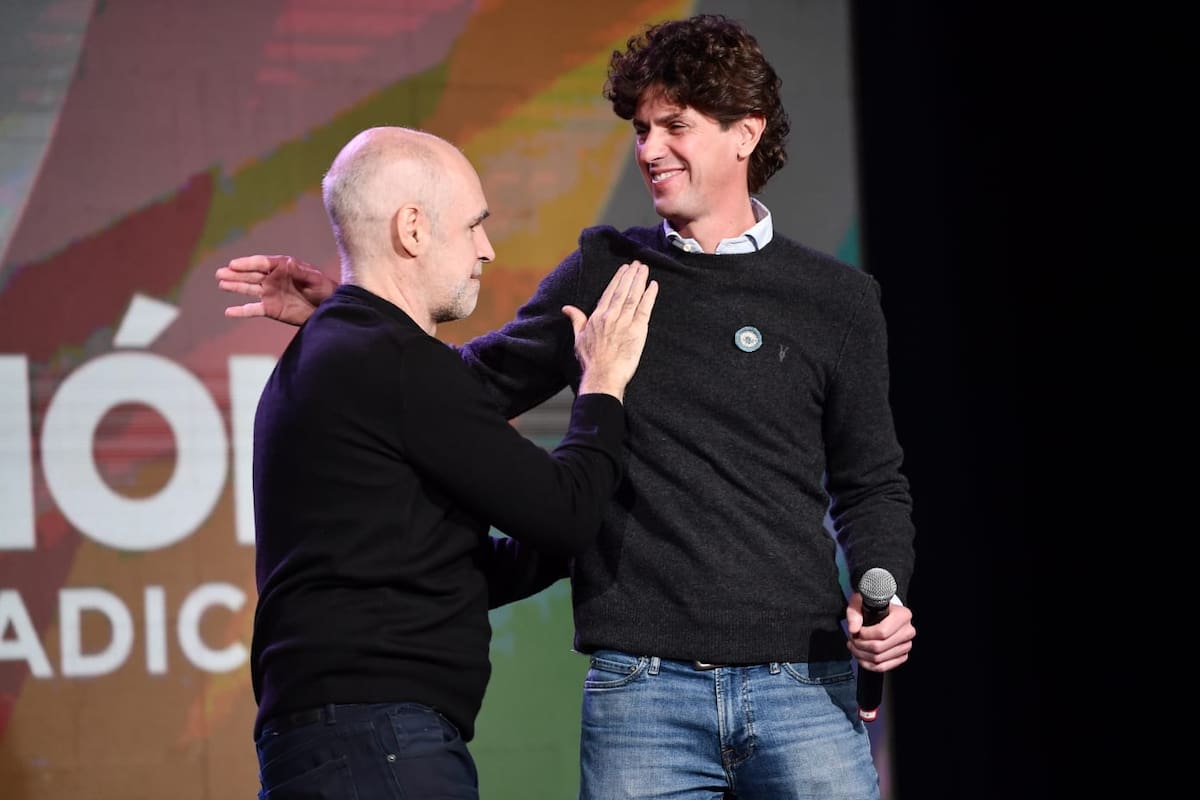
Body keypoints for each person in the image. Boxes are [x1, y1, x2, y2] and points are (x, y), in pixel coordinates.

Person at [217, 14, 916, 800]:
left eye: (673, 125)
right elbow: (461, 387)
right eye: (641, 127)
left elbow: (872, 482)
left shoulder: (838, 301)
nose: (648, 148)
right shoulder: (605, 271)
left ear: (745, 134)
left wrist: (882, 579)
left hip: (802, 682)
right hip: (642, 692)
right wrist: (353, 313)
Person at [242, 125, 658, 799]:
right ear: (412, 228)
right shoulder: (390, 361)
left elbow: (442, 562)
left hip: (332, 743)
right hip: (380, 747)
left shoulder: (337, 353)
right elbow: (564, 511)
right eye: (473, 226)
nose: (486, 250)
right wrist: (603, 379)